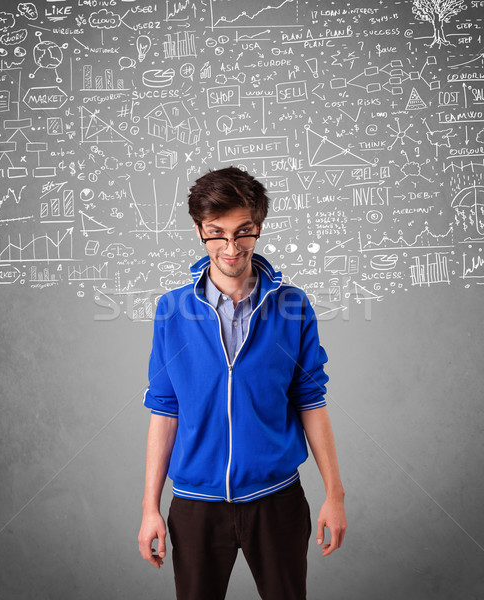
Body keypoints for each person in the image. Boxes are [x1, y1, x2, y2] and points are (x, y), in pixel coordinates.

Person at [138, 166, 347, 600]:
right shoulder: (172, 310)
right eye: (216, 233)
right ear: (199, 229)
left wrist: (335, 495)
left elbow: (311, 400)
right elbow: (164, 408)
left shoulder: (293, 306)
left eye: (243, 232)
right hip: (195, 504)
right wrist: (149, 508)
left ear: (259, 227)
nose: (231, 247)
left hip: (278, 500)